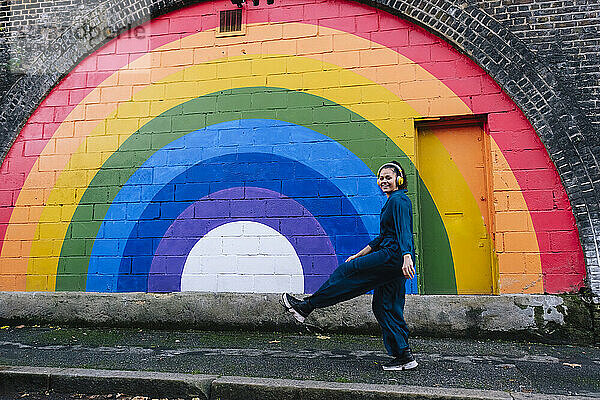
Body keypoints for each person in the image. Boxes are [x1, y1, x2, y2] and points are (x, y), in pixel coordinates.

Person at [281, 161, 417, 371]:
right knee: (385, 305)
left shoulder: (399, 200)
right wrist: (359, 254)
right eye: (381, 178)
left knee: (347, 272)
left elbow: (404, 232)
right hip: (394, 259)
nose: (384, 181)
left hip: (393, 257)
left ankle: (306, 307)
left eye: (388, 177)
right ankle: (404, 356)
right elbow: (383, 237)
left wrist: (407, 255)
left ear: (399, 179)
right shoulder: (393, 202)